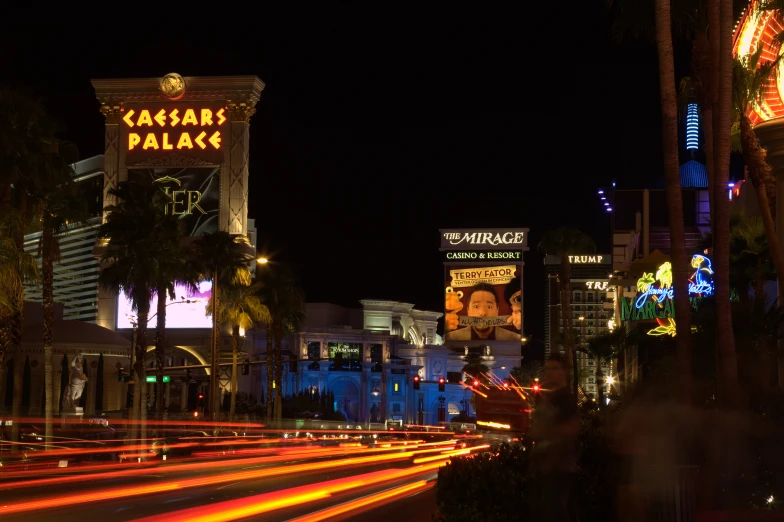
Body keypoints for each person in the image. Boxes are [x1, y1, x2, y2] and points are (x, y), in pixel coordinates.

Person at [529, 353, 580, 521]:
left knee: (555, 511)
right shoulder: (550, 397)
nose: (550, 373)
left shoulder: (566, 399)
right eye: (548, 368)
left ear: (565, 371)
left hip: (559, 466)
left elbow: (571, 429)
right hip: (548, 465)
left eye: (555, 368)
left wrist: (550, 458)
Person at [445, 282, 520, 340]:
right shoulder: (451, 338)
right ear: (468, 311)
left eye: (489, 307)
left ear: (497, 310)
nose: (482, 313)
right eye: (476, 306)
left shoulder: (514, 338)